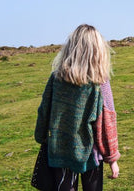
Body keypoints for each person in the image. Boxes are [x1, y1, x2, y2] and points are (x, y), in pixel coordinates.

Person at [35, 24, 120, 190]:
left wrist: (41, 136)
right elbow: (107, 123)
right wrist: (112, 159)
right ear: (97, 50)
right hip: (91, 154)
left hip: (59, 151)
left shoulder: (56, 78)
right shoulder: (100, 82)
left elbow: (44, 110)